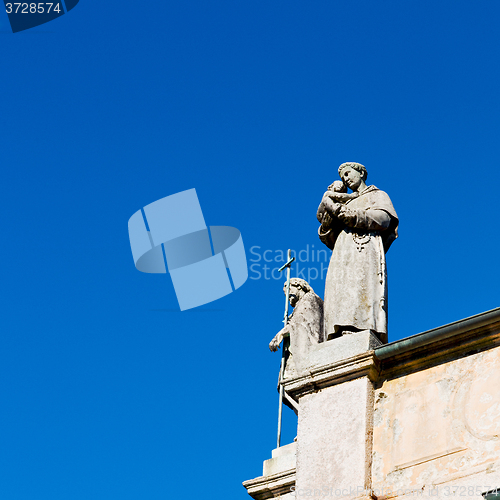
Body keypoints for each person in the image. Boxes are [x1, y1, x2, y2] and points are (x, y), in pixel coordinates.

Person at [317, 162, 398, 343]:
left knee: (360, 283)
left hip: (364, 246)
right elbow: (328, 235)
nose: (345, 178)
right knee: (340, 286)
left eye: (348, 173)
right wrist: (329, 219)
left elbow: (383, 219)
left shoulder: (377, 195)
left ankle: (358, 327)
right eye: (343, 176)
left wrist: (352, 216)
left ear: (360, 173)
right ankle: (336, 331)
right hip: (342, 249)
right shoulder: (344, 199)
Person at [269, 278, 324, 377]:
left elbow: (301, 323)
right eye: (286, 294)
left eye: (289, 290)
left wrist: (281, 333)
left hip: (308, 350)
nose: (287, 295)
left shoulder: (309, 299)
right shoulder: (300, 304)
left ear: (299, 286)